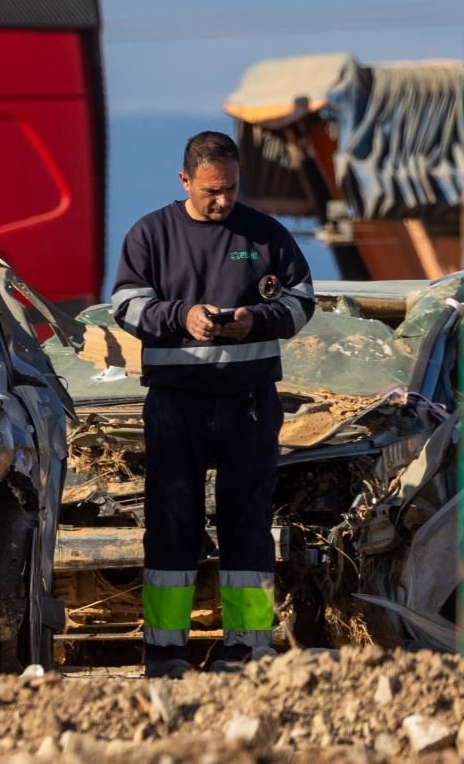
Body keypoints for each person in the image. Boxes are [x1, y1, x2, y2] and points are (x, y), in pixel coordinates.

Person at [111, 130, 315, 678]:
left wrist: (256, 319)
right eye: (210, 192)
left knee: (246, 526)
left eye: (229, 188)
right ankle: (166, 653)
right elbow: (126, 305)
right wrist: (182, 316)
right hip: (176, 405)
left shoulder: (266, 234)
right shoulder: (150, 234)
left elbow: (302, 301)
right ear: (185, 181)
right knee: (171, 525)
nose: (222, 200)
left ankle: (247, 649)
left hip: (248, 404)